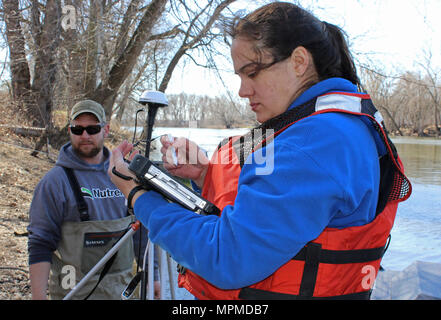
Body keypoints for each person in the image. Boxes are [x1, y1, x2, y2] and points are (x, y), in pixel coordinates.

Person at [109, 2, 411, 300]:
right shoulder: (334, 127)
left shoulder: (313, 143)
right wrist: (206, 173)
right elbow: (281, 207)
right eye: (239, 76)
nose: (242, 90)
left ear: (298, 61)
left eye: (252, 72)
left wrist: (138, 197)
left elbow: (226, 258)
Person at [27, 100, 159, 300]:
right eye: (78, 129)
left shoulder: (124, 174)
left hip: (122, 293)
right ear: (70, 130)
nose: (85, 135)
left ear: (105, 130)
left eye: (92, 128)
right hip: (72, 294)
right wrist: (38, 297)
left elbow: (142, 233)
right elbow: (39, 243)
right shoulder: (54, 182)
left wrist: (153, 277)